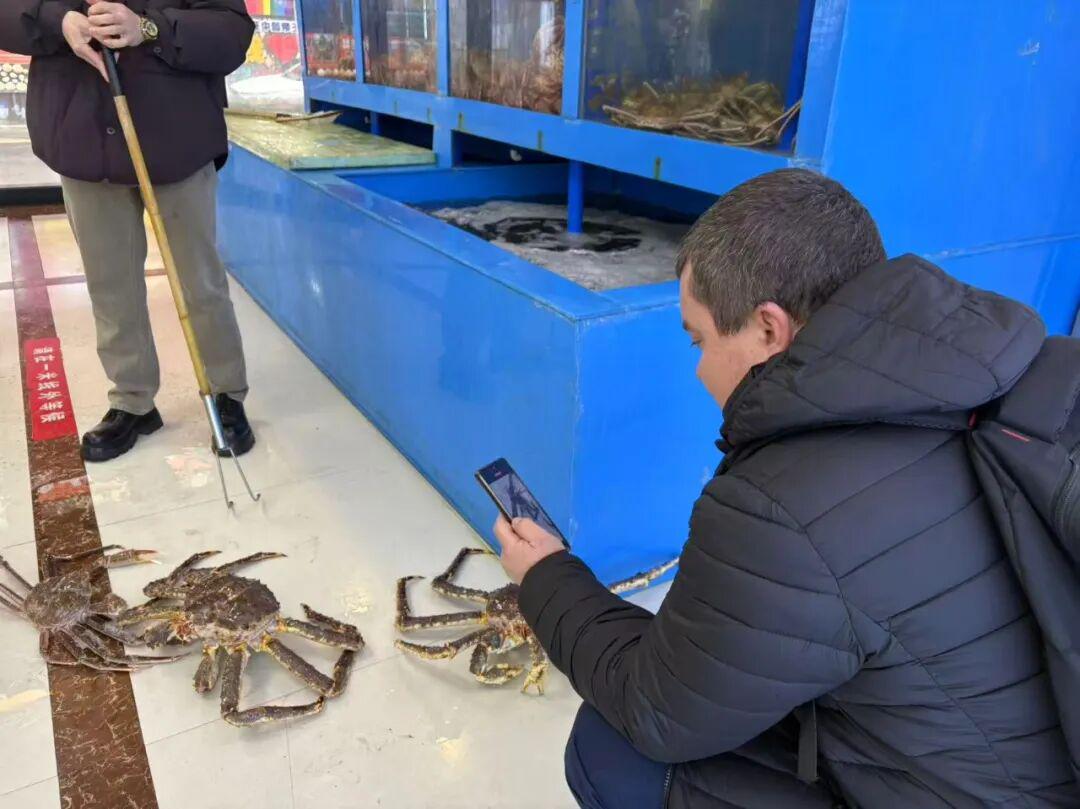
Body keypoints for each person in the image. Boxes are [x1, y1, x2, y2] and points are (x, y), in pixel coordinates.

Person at [494, 169, 1078, 808]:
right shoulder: (1014, 376)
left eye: (700, 339)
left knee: (611, 748)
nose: (699, 369)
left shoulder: (780, 507)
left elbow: (656, 707)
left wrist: (545, 576)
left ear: (769, 329)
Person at [0, 0, 256, 462]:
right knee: (110, 282)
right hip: (81, 135)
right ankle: (133, 400)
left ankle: (226, 393)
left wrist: (149, 29)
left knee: (199, 280)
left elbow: (232, 31)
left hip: (178, 138)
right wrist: (60, 21)